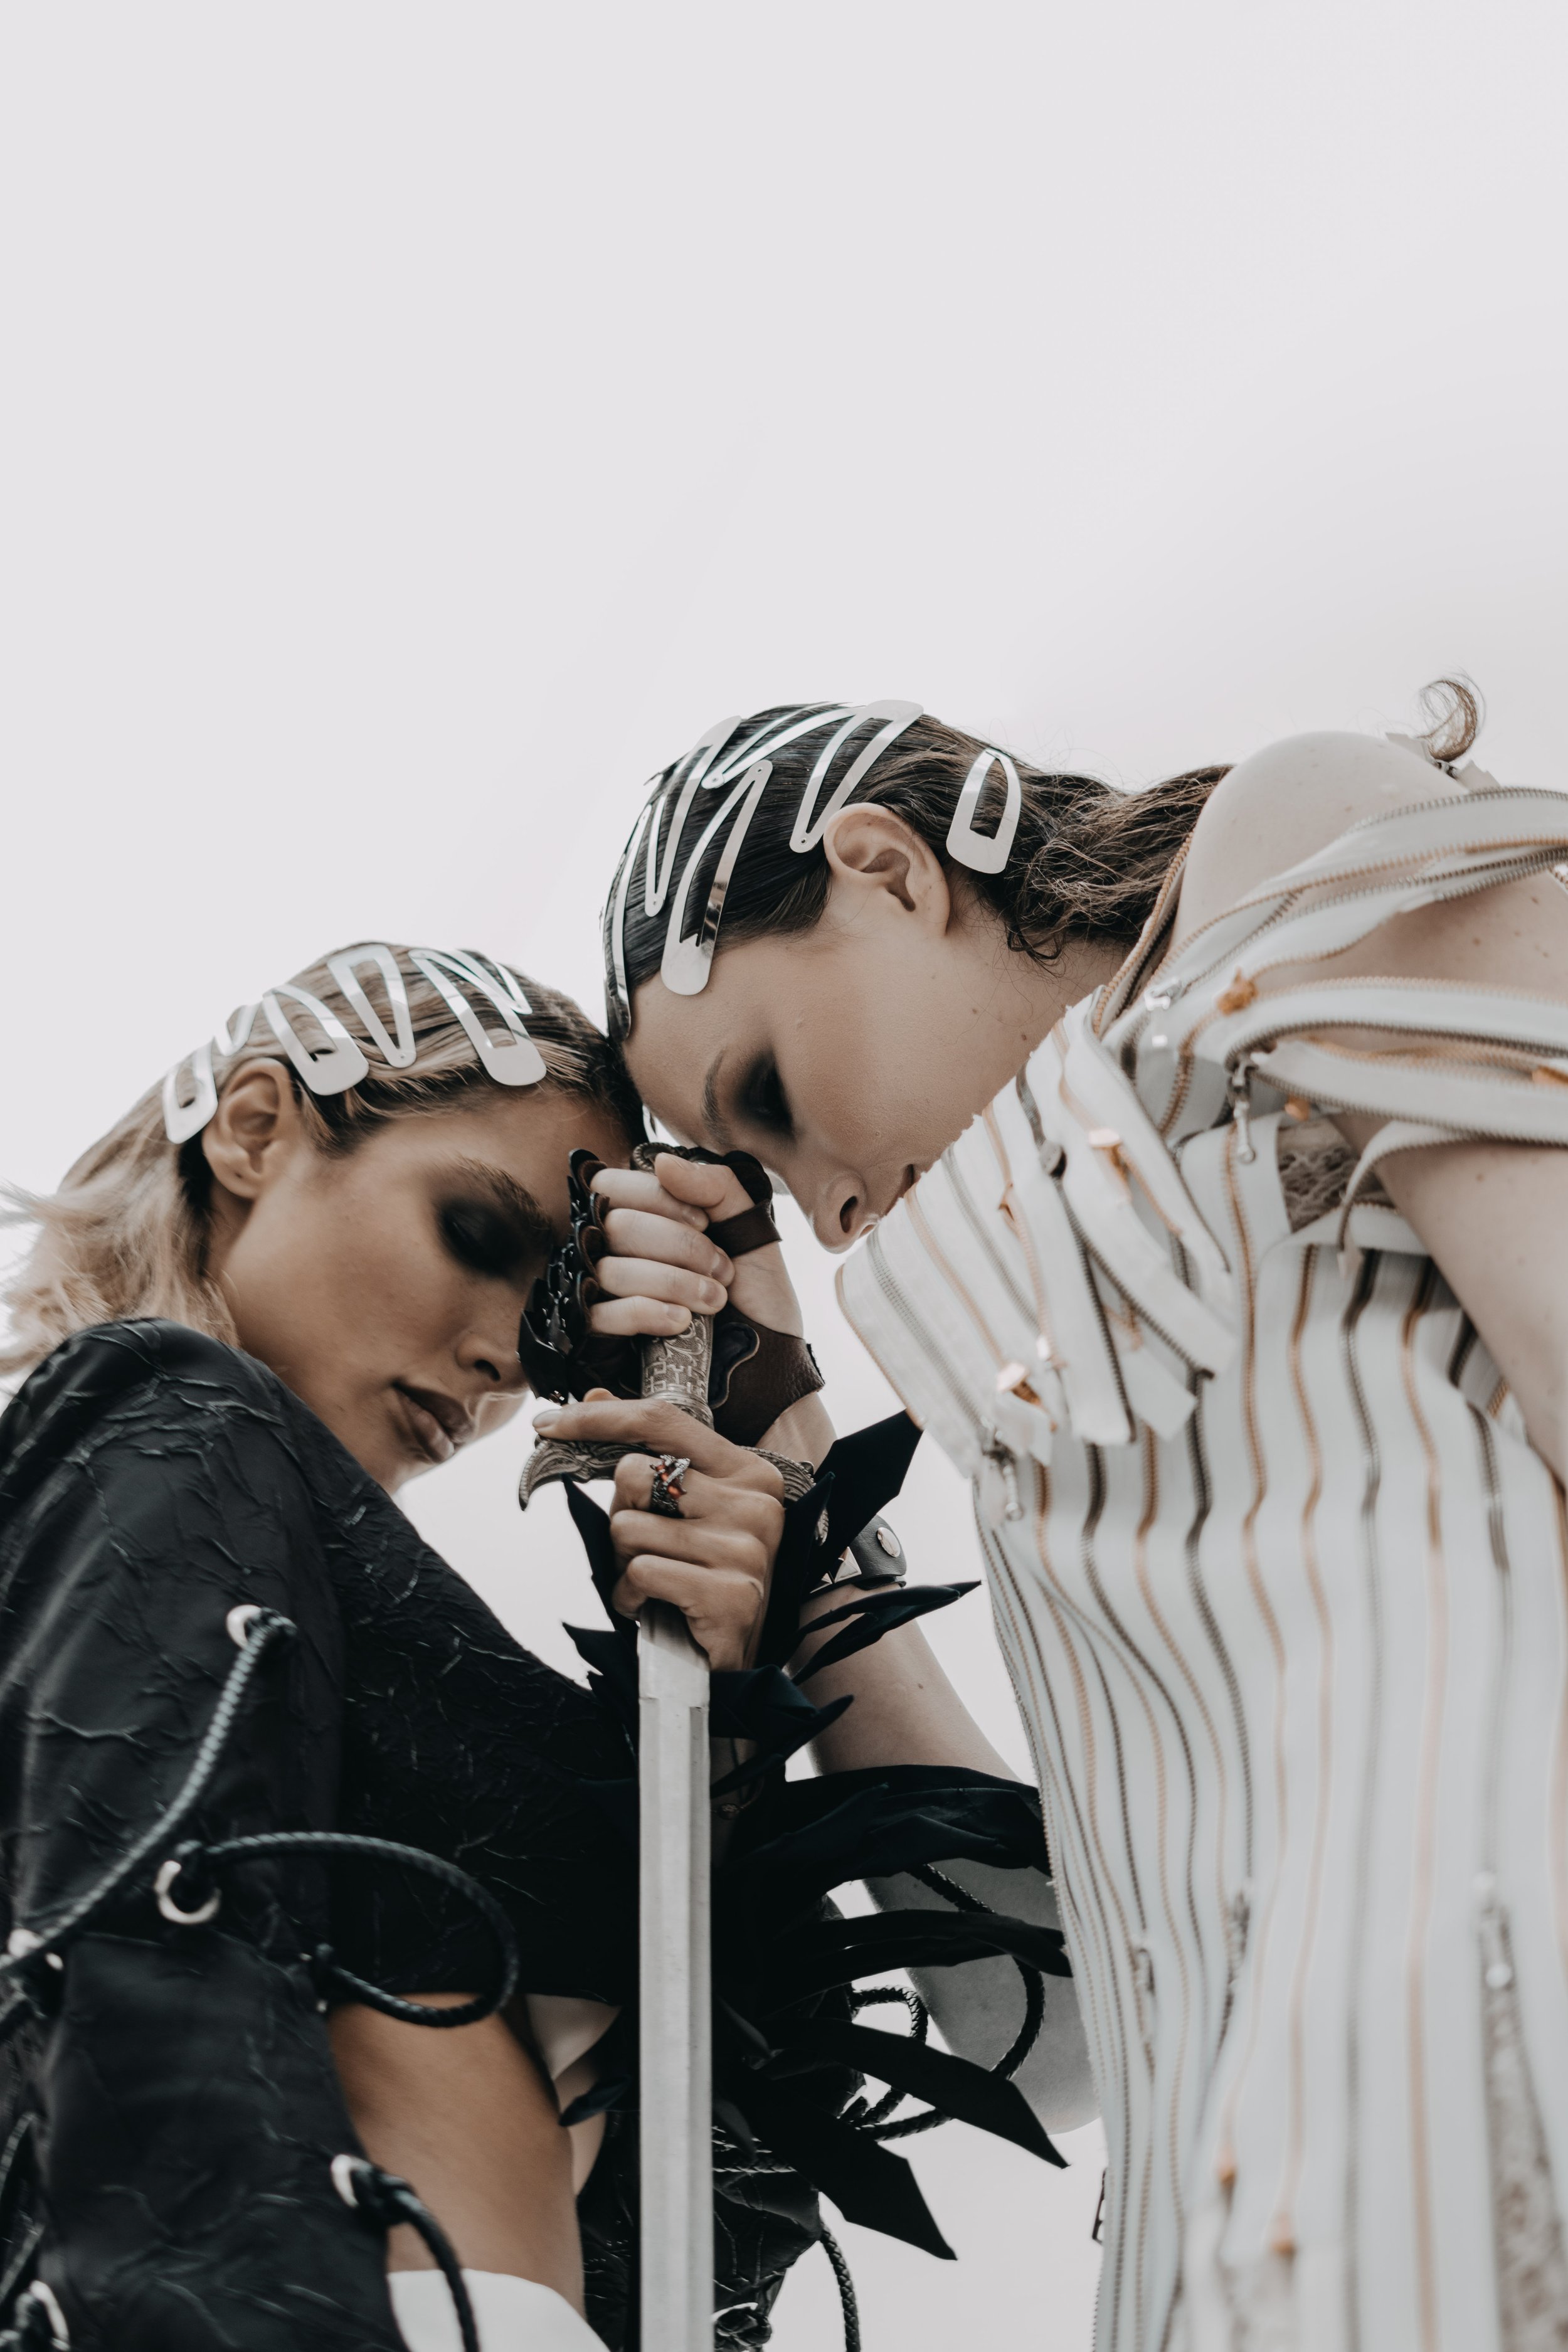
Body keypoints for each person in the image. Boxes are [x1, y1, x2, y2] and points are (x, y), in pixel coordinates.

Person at [601, 690, 1568, 2351]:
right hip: (1255, 2262)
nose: (818, 1202)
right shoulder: (1029, 1349)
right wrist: (777, 1430)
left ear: (884, 867)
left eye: (763, 1088)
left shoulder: (1287, 835)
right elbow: (1034, 2026)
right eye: (752, 1171)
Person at [0, 941, 1078, 2352]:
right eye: (480, 1233)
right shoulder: (161, 1410)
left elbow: (802, 2132)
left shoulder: (376, 1654)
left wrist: (769, 1528)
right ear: (257, 1129)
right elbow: (136, 1965)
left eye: (554, 1312)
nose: (509, 1356)